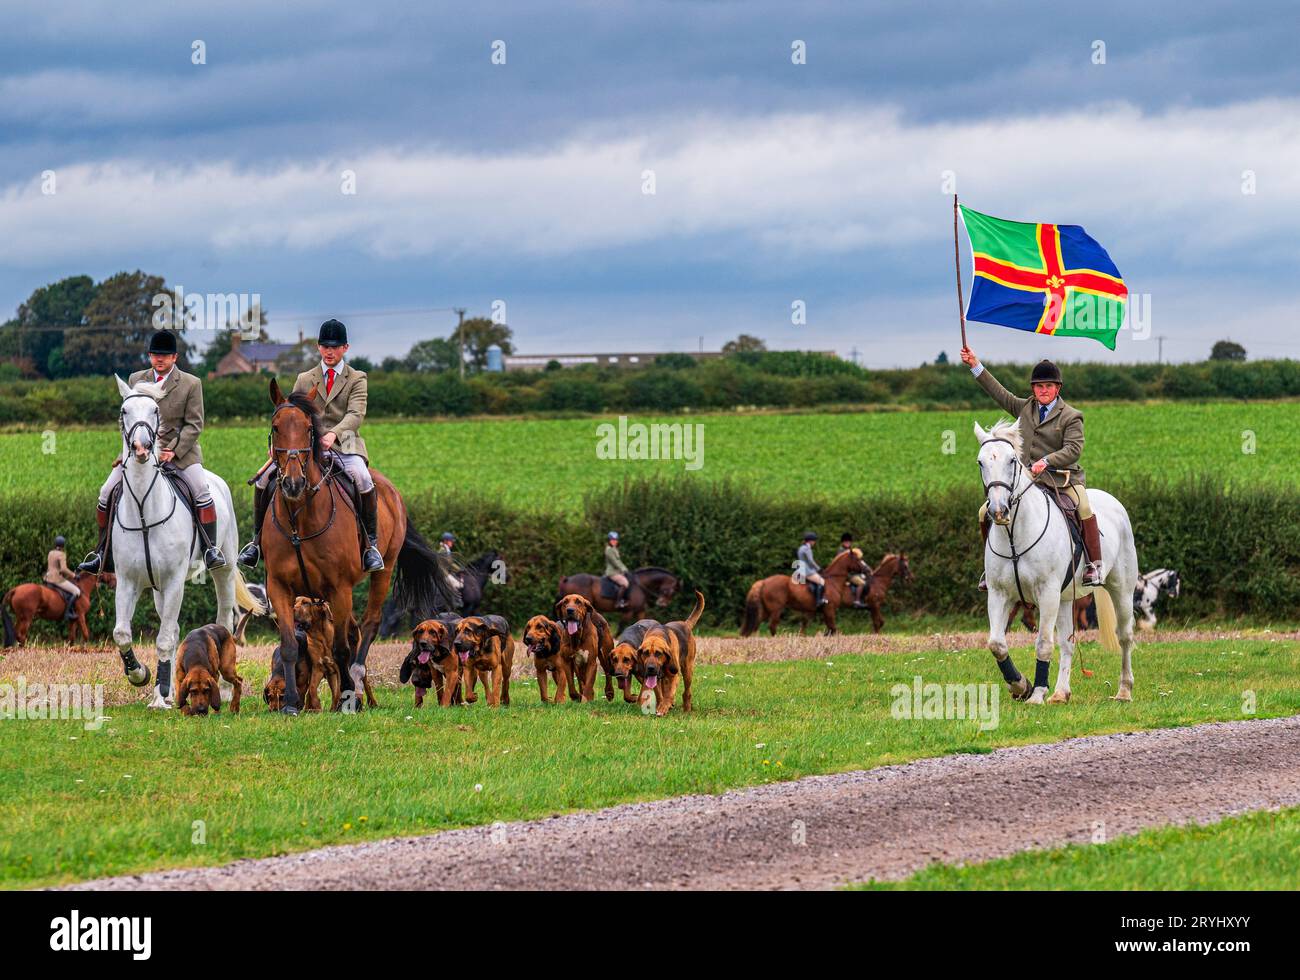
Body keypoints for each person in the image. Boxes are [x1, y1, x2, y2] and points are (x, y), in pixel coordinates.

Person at [239, 319, 383, 571]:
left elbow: (356, 415)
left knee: (362, 478)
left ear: (345, 348)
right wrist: (280, 445)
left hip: (345, 444)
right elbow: (290, 414)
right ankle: (256, 542)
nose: (329, 351)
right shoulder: (305, 378)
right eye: (325, 346)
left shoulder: (357, 378)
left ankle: (370, 545)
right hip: (304, 447)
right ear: (318, 348)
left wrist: (333, 434)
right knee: (263, 480)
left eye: (335, 347)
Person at [80, 329, 226, 573]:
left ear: (174, 358)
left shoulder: (191, 383)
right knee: (106, 492)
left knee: (202, 491)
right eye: (155, 355)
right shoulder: (136, 379)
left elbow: (195, 424)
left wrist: (173, 451)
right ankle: (101, 553)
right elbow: (125, 418)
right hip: (138, 454)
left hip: (180, 453)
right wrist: (125, 451)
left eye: (165, 355)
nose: (159, 359)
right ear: (149, 356)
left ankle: (210, 549)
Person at [961, 346, 1102, 588]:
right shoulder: (1025, 407)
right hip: (1026, 481)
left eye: (1048, 386)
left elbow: (1073, 449)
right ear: (1033, 389)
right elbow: (999, 393)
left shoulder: (1071, 416)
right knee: (985, 512)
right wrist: (975, 365)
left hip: (1062, 479)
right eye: (1039, 386)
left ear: (1057, 388)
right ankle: (990, 570)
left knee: (1085, 507)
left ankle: (1093, 565)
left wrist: (1046, 461)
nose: (1043, 390)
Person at [45, 535, 81, 621]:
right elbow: (63, 569)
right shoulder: (62, 554)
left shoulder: (50, 552)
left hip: (47, 577)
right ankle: (68, 613)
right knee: (77, 591)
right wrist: (74, 575)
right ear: (63, 545)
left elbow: (53, 567)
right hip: (56, 579)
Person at [795, 532, 828, 607]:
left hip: (802, 569)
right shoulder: (807, 548)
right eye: (814, 541)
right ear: (810, 541)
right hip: (807, 571)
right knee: (822, 582)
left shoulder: (801, 547)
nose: (814, 543)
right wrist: (819, 568)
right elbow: (811, 561)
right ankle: (819, 601)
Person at [838, 532, 869, 608]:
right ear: (843, 542)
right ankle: (857, 601)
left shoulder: (851, 551)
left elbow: (859, 561)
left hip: (854, 573)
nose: (848, 543)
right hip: (848, 574)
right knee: (862, 583)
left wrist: (866, 567)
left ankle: (864, 599)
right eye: (846, 542)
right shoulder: (841, 552)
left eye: (849, 542)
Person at [604, 531, 630, 608]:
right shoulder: (609, 550)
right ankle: (618, 602)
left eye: (615, 540)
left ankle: (624, 599)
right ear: (609, 541)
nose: (614, 541)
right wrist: (624, 569)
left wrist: (625, 569)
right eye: (612, 540)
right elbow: (615, 562)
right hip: (612, 572)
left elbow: (619, 561)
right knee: (625, 583)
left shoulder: (614, 548)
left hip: (617, 571)